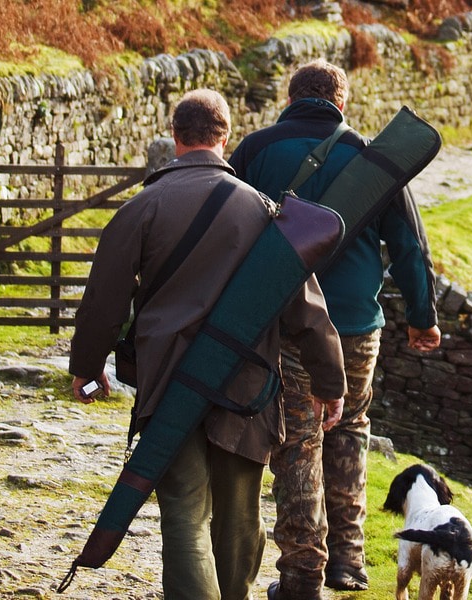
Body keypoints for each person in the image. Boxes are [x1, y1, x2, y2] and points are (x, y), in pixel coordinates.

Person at [67, 89, 348, 600]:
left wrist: (86, 366)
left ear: (176, 137)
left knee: (183, 513)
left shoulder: (142, 208)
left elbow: (103, 302)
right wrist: (331, 384)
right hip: (247, 386)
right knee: (240, 517)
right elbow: (307, 310)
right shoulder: (264, 211)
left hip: (167, 384)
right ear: (225, 137)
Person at [227, 59, 443, 599]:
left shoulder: (254, 151)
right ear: (341, 102)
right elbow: (410, 247)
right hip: (355, 323)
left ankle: (303, 574)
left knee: (298, 439)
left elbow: (225, 228)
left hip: (284, 321)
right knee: (349, 429)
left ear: (291, 96)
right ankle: (347, 561)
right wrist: (422, 319)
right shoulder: (373, 159)